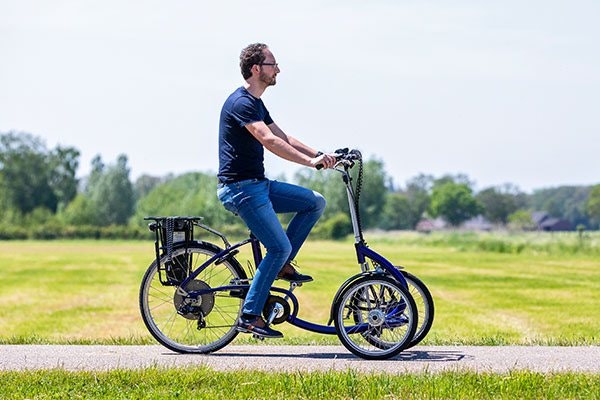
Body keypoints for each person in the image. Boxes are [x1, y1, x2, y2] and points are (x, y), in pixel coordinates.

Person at [217, 43, 336, 339]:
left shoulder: (256, 103)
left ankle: (282, 266)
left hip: (258, 185)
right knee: (279, 245)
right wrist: (310, 163)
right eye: (273, 64)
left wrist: (322, 154)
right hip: (240, 189)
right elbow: (269, 140)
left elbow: (284, 136)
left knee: (314, 202)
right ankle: (249, 315)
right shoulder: (240, 103)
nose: (278, 69)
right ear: (256, 69)